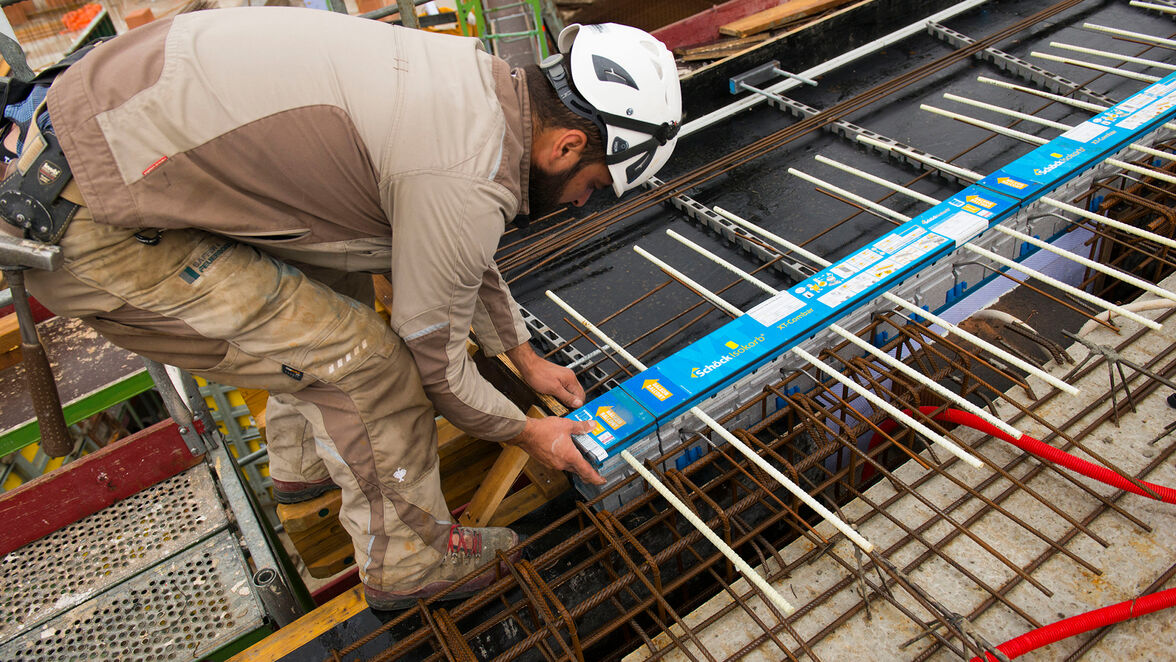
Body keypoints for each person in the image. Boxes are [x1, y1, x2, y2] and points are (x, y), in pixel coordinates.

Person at [0, 7, 682, 609]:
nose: (582, 202)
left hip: (104, 145)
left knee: (334, 299)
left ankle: (308, 486)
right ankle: (412, 563)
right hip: (95, 224)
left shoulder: (477, 86)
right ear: (566, 144)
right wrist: (529, 433)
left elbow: (455, 248)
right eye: (592, 184)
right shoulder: (461, 169)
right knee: (370, 366)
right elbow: (437, 366)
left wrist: (523, 356)